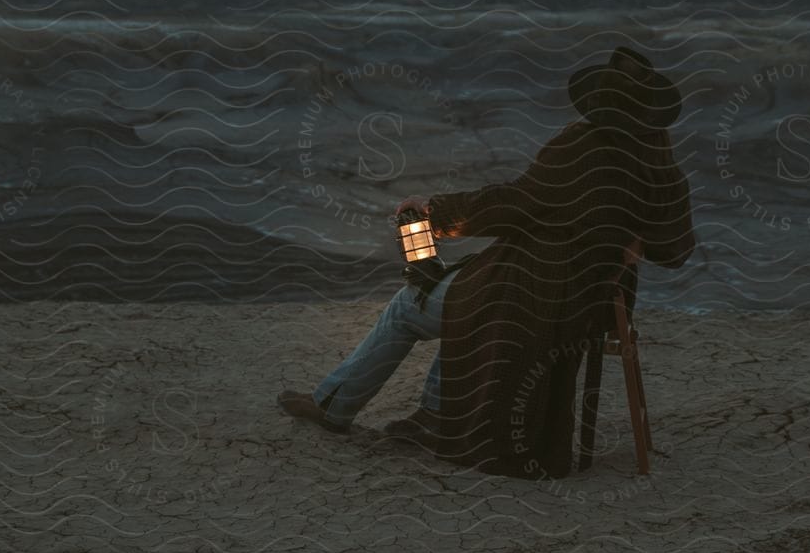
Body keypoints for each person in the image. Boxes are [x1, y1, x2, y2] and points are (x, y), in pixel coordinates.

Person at [277, 46, 695, 477]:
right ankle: (435, 413)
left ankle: (334, 405)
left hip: (539, 291)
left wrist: (435, 212)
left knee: (412, 305)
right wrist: (631, 243)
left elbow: (516, 202)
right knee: (469, 288)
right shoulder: (659, 161)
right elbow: (677, 248)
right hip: (598, 305)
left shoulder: (583, 145)